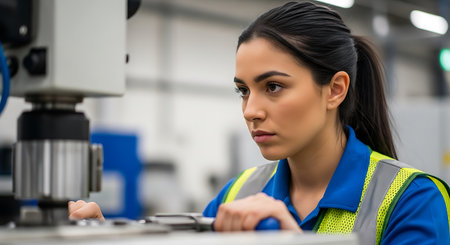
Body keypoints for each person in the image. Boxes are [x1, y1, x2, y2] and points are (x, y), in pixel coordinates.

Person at [69, 2, 450, 244]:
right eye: (243, 91)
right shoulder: (238, 194)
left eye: (273, 86)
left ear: (334, 90)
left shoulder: (412, 201)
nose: (250, 110)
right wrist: (107, 236)